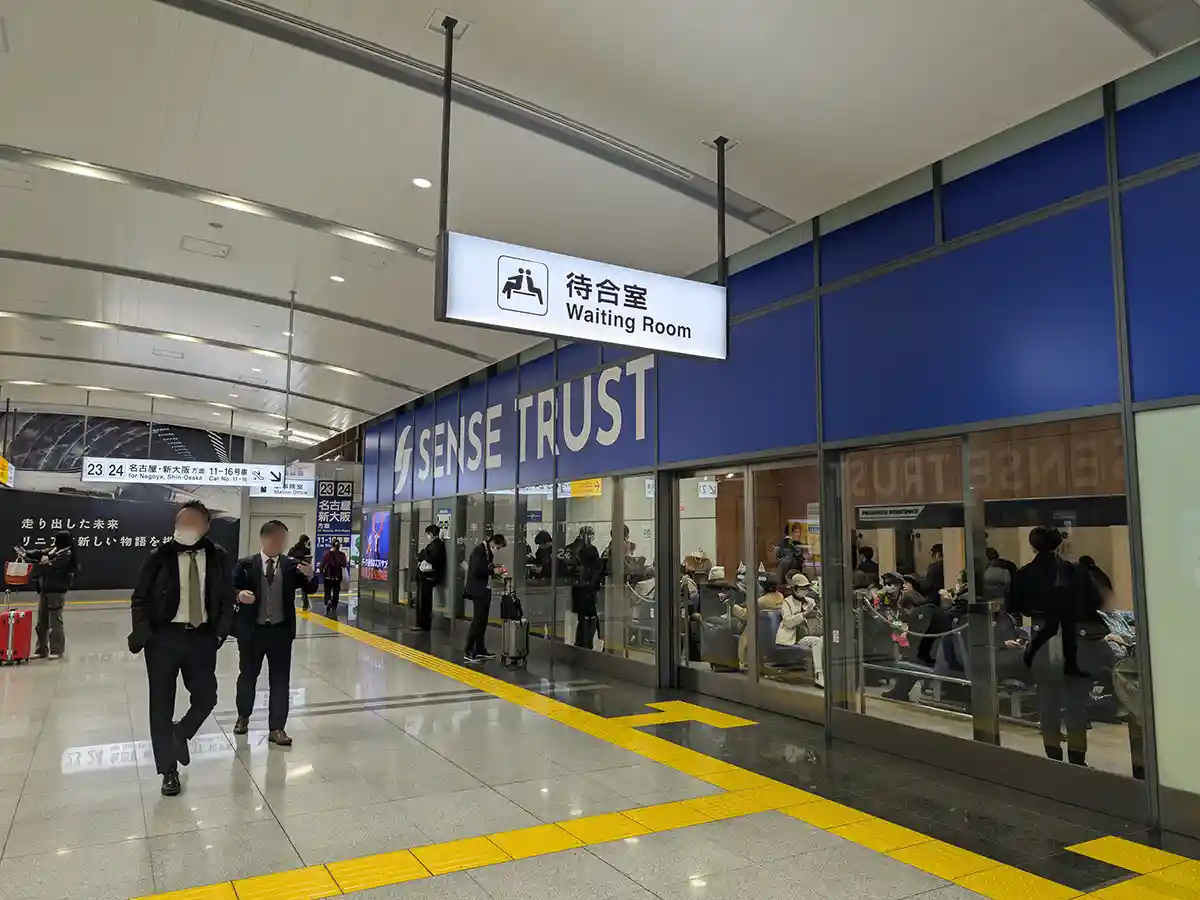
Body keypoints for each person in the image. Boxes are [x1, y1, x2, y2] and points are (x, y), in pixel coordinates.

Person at [128, 500, 235, 796]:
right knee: (160, 705)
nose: (184, 528)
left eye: (191, 522)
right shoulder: (158, 556)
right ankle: (168, 771)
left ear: (205, 526)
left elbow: (227, 598)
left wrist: (219, 634)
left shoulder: (219, 557)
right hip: (163, 639)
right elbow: (140, 598)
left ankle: (181, 732)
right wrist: (144, 632)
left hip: (202, 638)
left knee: (206, 698)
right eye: (180, 522)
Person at [1010, 526, 1106, 765]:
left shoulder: (1024, 574)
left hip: (1043, 638)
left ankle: (1052, 755)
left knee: (1047, 701)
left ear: (1033, 546)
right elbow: (1095, 601)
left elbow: (1013, 605)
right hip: (1075, 638)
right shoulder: (1076, 571)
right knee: (1076, 703)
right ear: (1058, 544)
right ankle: (1077, 758)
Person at [231, 520, 318, 747]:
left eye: (283, 539)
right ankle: (243, 716)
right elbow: (228, 589)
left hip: (280, 632)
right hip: (253, 632)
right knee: (248, 676)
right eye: (276, 539)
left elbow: (311, 588)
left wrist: (311, 575)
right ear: (264, 539)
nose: (280, 543)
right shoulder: (246, 565)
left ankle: (277, 728)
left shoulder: (291, 566)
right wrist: (239, 595)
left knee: (280, 681)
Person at [463, 532, 507, 663]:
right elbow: (477, 569)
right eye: (498, 547)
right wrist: (494, 571)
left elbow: (486, 568)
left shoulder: (487, 552)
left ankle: (480, 649)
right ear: (492, 543)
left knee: (483, 621)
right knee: (477, 620)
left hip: (484, 589)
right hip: (477, 590)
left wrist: (496, 569)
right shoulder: (479, 551)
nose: (497, 550)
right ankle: (468, 649)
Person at [33, 530, 76, 659]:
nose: (54, 541)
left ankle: (57, 651)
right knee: (41, 623)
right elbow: (42, 554)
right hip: (46, 589)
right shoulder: (55, 550)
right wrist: (28, 555)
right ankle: (41, 650)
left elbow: (49, 566)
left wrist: (38, 563)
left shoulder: (66, 553)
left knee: (55, 623)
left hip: (57, 591)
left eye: (57, 539)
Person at [777, 573, 824, 688]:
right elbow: (788, 622)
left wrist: (815, 613)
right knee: (817, 642)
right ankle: (819, 674)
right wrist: (804, 614)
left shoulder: (810, 601)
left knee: (826, 640)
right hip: (796, 637)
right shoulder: (786, 603)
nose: (804, 591)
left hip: (812, 633)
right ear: (794, 589)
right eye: (801, 588)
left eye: (806, 588)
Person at [571, 526, 603, 649]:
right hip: (587, 589)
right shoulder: (590, 549)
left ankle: (580, 643)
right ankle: (586, 644)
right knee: (590, 618)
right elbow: (596, 569)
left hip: (577, 588)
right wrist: (594, 585)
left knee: (582, 619)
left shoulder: (573, 548)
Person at [415, 525, 446, 630]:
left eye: (428, 534)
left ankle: (424, 624)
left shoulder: (438, 545)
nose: (427, 536)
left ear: (432, 534)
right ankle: (421, 623)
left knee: (425, 602)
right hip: (426, 577)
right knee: (422, 601)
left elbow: (431, 558)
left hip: (429, 577)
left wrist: (424, 555)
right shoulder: (433, 545)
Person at [319, 539, 349, 618]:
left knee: (327, 590)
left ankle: (327, 601)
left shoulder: (327, 554)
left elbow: (322, 565)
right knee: (336, 592)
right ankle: (334, 605)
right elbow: (345, 565)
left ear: (331, 545)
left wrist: (322, 572)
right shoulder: (342, 555)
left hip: (328, 577)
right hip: (337, 577)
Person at [287, 534, 314, 611]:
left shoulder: (292, 549)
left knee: (291, 588)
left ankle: (290, 604)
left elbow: (288, 559)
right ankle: (305, 604)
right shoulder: (306, 550)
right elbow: (308, 560)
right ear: (305, 541)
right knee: (304, 589)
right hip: (302, 571)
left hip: (293, 571)